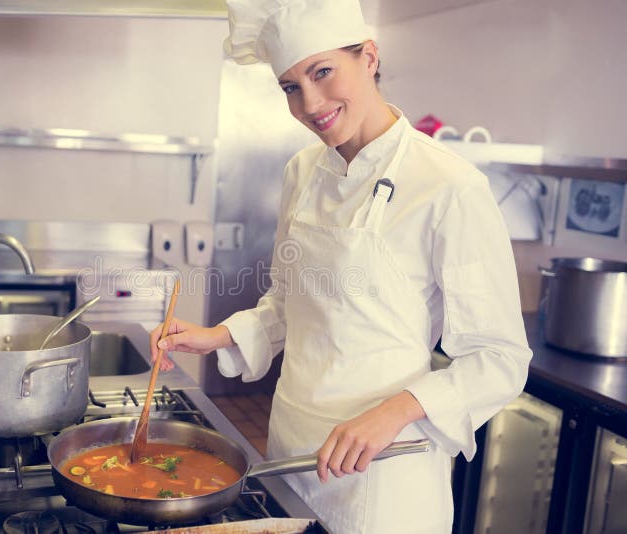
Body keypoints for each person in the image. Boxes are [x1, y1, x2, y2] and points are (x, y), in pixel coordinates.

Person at [150, 1, 532, 532]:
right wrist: (216, 335)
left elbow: (500, 357)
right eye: (290, 86)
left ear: (369, 57)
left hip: (386, 467)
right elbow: (290, 304)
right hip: (293, 450)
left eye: (322, 71)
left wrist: (393, 411)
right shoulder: (302, 171)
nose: (310, 102)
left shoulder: (450, 186)